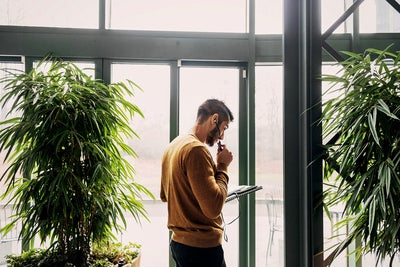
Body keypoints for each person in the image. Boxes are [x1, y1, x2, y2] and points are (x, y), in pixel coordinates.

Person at [160, 99, 234, 267]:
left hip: (179, 245)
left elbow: (165, 195)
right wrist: (222, 166)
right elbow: (213, 208)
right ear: (214, 119)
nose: (222, 136)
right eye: (223, 128)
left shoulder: (174, 145)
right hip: (201, 250)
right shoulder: (196, 150)